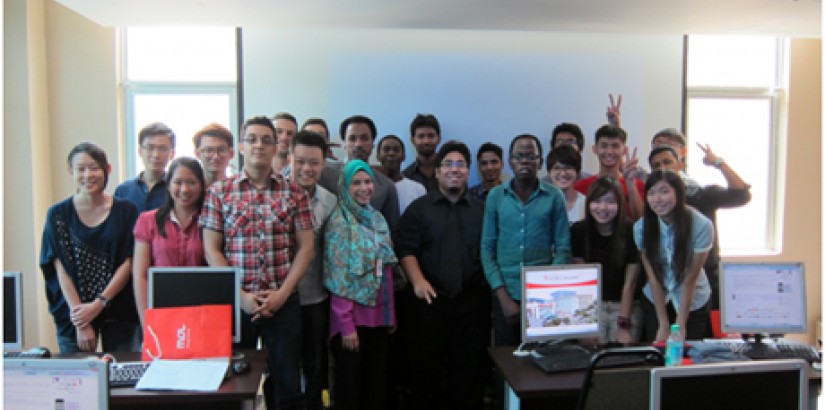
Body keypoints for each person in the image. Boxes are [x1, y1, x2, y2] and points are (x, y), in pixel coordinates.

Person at [201, 116, 314, 410]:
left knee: (288, 384)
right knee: (235, 384)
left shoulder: (294, 192)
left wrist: (282, 294)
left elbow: (306, 248)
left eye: (266, 140)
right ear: (240, 146)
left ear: (277, 147)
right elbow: (212, 249)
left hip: (283, 300)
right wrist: (240, 297)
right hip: (238, 302)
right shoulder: (219, 192)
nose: (259, 146)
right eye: (251, 139)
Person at [396, 141, 491, 410]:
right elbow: (405, 248)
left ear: (468, 172)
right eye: (448, 164)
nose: (454, 169)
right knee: (427, 374)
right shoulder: (419, 209)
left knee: (470, 373)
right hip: (429, 304)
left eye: (461, 164)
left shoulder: (482, 210)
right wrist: (418, 281)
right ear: (437, 172)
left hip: (472, 304)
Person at [40, 142, 140, 353]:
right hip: (73, 314)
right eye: (81, 169)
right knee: (77, 381)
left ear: (107, 169)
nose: (88, 175)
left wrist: (99, 303)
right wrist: (81, 321)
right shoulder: (57, 214)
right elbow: (59, 267)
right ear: (71, 171)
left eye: (94, 167)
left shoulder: (127, 210)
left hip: (119, 309)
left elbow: (129, 262)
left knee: (124, 375)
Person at [481, 133, 571, 346]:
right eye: (519, 156)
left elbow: (563, 248)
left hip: (544, 300)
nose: (524, 161)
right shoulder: (496, 196)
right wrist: (503, 297)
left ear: (540, 161)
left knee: (541, 361)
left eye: (531, 156)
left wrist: (546, 294)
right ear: (510, 161)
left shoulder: (554, 196)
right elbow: (487, 249)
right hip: (506, 294)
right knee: (507, 361)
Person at [323, 160, 397, 410]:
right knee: (350, 390)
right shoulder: (339, 223)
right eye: (356, 182)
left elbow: (386, 271)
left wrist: (390, 315)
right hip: (352, 322)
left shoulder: (377, 220)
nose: (364, 187)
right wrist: (346, 325)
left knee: (376, 388)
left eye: (368, 182)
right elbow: (337, 276)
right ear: (344, 186)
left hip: (379, 318)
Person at [648, 144, 751, 317]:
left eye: (668, 162)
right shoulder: (653, 201)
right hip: (664, 286)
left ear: (680, 164)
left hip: (703, 283)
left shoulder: (701, 194)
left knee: (700, 341)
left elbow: (741, 194)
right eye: (656, 165)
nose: (663, 168)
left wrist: (718, 162)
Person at [289, 131, 338, 410]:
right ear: (289, 159)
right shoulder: (274, 194)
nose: (306, 169)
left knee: (315, 362)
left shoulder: (330, 202)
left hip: (315, 296)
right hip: (279, 296)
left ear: (323, 164)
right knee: (282, 364)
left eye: (314, 163)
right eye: (300, 161)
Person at [633, 170, 714, 341]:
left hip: (693, 300)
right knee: (658, 352)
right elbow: (653, 277)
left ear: (678, 192)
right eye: (651, 193)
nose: (657, 199)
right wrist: (663, 324)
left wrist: (679, 326)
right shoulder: (641, 228)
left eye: (664, 191)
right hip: (656, 299)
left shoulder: (701, 225)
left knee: (686, 356)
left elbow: (689, 279)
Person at [132, 157, 207, 326]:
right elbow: (140, 275)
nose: (185, 189)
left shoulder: (210, 221)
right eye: (178, 182)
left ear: (202, 185)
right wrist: (147, 322)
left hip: (201, 312)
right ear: (168, 185)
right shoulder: (148, 220)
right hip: (160, 311)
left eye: (192, 182)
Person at [571, 177, 642, 343]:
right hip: (593, 304)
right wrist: (588, 321)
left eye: (610, 202)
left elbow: (630, 284)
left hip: (625, 304)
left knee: (623, 349)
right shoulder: (578, 231)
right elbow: (583, 282)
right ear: (588, 204)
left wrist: (623, 325)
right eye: (596, 201)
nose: (603, 208)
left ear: (620, 204)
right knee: (592, 352)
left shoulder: (630, 231)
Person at [318, 115, 401, 230]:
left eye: (365, 138)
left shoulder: (386, 186)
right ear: (344, 143)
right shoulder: (325, 174)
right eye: (352, 139)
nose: (358, 144)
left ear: (373, 144)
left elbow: (392, 232)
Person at [574, 125, 644, 220]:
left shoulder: (638, 185)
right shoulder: (580, 187)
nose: (609, 151)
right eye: (604, 146)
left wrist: (631, 184)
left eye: (615, 146)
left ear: (624, 150)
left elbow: (640, 222)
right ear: (595, 149)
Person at [115, 122, 175, 212]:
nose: (156, 155)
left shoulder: (176, 190)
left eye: (162, 149)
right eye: (150, 148)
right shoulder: (123, 190)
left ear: (172, 153)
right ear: (140, 151)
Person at [375, 134, 426, 213]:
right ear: (378, 156)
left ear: (403, 156)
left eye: (396, 150)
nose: (391, 153)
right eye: (386, 149)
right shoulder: (370, 188)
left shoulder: (418, 189)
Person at [545, 145, 586, 224]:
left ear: (577, 172)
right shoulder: (541, 204)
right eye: (557, 168)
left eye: (568, 168)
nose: (563, 174)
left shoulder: (586, 203)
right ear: (549, 172)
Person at [402, 113, 441, 192]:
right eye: (421, 136)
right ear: (413, 140)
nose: (426, 141)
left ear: (439, 139)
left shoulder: (450, 171)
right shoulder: (405, 176)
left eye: (431, 136)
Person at [272, 112, 298, 177]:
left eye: (289, 133)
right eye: (278, 132)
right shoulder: (257, 170)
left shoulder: (302, 173)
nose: (284, 137)